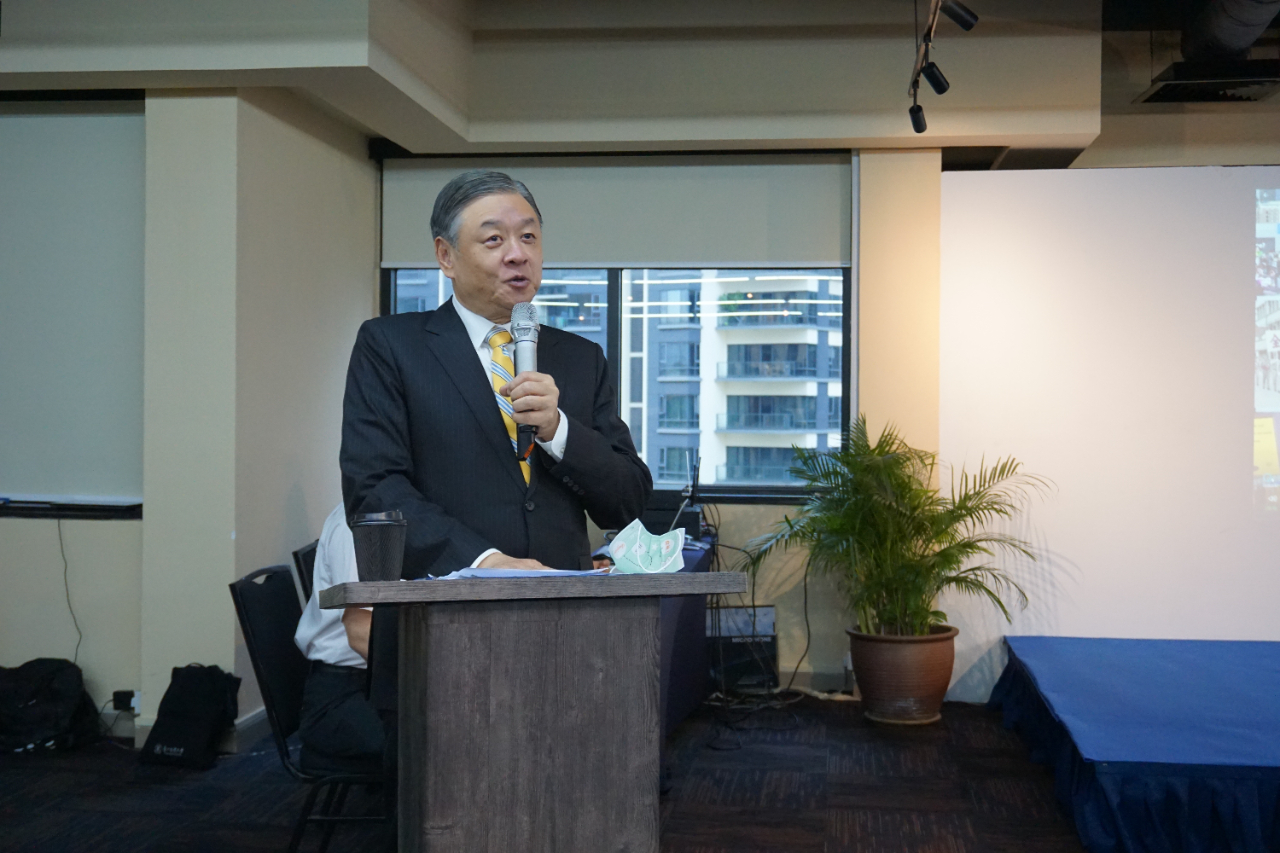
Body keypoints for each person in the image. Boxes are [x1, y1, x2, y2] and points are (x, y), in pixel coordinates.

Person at [339, 168, 651, 709]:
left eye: (529, 236)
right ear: (446, 256)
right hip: (440, 625)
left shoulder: (579, 358)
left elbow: (628, 497)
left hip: (567, 632)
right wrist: (483, 561)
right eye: (494, 239)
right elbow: (375, 490)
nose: (517, 254)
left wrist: (559, 431)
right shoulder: (391, 346)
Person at [292, 502, 383, 769]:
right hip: (342, 694)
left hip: (370, 681)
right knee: (439, 739)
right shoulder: (361, 520)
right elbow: (360, 634)